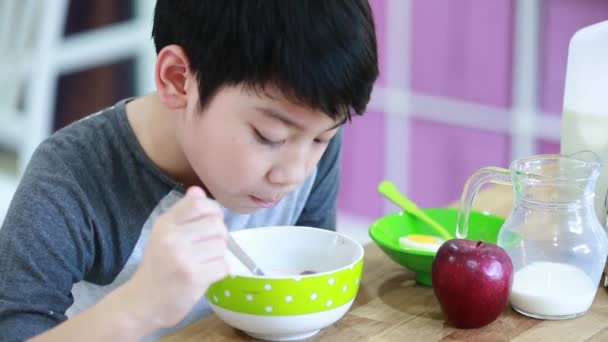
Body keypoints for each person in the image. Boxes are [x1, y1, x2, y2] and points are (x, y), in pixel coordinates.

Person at [0, 1, 378, 340]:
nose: (293, 174)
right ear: (178, 79)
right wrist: (139, 305)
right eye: (268, 136)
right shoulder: (71, 179)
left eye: (321, 139)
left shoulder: (304, 140)